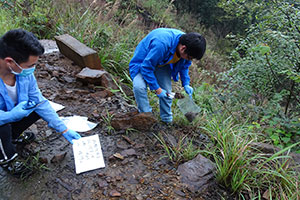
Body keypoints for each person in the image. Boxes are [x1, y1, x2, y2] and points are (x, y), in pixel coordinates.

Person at [0, 29, 81, 177]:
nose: (33, 69)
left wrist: (63, 129)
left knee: (36, 107)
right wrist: (9, 116)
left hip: (12, 114)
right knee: (2, 126)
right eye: (30, 65)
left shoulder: (23, 74)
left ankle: (13, 137)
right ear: (10, 62)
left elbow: (39, 101)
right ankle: (7, 159)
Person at [129, 28, 206, 123]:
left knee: (167, 91)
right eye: (189, 57)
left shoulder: (188, 44)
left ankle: (166, 120)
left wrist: (186, 84)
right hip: (143, 62)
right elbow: (146, 67)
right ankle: (146, 116)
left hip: (162, 63)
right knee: (139, 87)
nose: (189, 60)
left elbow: (184, 67)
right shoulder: (162, 44)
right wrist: (157, 89)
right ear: (183, 48)